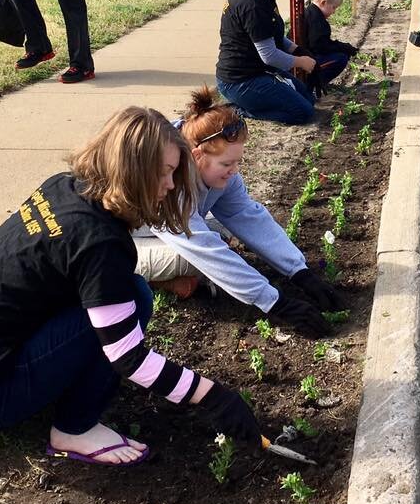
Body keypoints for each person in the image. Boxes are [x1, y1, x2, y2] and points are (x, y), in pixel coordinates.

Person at [0, 106, 261, 463]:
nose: (170, 185)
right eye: (164, 173)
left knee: (122, 295)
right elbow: (128, 357)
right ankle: (74, 429)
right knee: (134, 296)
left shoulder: (63, 186)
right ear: (133, 170)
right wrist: (213, 396)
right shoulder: (102, 243)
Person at [132, 87, 344, 335]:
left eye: (237, 162)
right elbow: (205, 249)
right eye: (226, 163)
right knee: (197, 257)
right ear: (197, 155)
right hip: (127, 244)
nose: (234, 170)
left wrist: (299, 271)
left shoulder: (214, 166)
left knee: (222, 230)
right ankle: (157, 279)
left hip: (168, 229)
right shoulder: (168, 184)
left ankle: (173, 276)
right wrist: (276, 303)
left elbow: (246, 215)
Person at [216, 0, 318, 125]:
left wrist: (296, 49)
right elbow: (269, 56)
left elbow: (270, 34)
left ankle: (256, 103)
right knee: (304, 112)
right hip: (241, 80)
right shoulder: (252, 5)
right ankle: (237, 109)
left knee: (308, 99)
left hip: (257, 71)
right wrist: (301, 62)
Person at [304, 0, 356, 85]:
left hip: (303, 53)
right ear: (323, 2)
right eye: (333, 7)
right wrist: (342, 48)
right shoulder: (318, 22)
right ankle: (315, 82)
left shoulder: (309, 11)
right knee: (341, 58)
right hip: (308, 58)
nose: (334, 12)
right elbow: (321, 47)